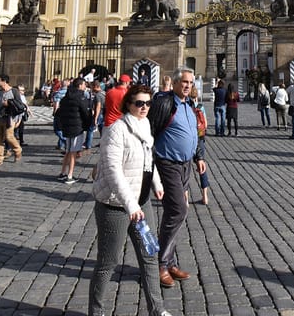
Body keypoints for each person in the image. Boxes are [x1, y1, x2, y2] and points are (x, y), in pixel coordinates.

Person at [88, 84, 172, 316]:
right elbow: (113, 171)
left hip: (141, 203)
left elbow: (147, 158)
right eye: (139, 103)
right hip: (115, 206)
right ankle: (96, 311)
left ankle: (158, 309)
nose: (144, 107)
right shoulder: (116, 130)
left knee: (150, 255)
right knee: (108, 263)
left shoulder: (145, 125)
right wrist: (131, 205)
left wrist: (156, 183)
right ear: (128, 104)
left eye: (148, 103)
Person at [149, 67, 205, 288]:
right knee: (178, 210)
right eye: (184, 82)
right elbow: (150, 131)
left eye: (190, 82)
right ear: (174, 83)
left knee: (176, 212)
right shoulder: (165, 103)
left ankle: (168, 261)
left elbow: (196, 132)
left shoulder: (188, 105)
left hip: (185, 166)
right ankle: (160, 264)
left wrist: (199, 156)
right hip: (168, 164)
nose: (188, 85)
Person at [57, 77, 91, 184]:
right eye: (84, 84)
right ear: (80, 85)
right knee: (73, 152)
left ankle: (63, 173)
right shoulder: (81, 97)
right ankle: (70, 175)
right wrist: (88, 125)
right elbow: (85, 113)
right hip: (77, 127)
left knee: (68, 151)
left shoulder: (66, 97)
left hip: (67, 126)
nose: (85, 86)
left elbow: (60, 111)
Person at [0, 74, 23, 167]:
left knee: (9, 137)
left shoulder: (14, 91)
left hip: (10, 118)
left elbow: (20, 106)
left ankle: (18, 150)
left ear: (4, 81)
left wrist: (18, 120)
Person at [191, 87, 210, 205]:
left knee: (185, 168)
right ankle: (205, 196)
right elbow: (206, 125)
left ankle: (185, 198)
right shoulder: (201, 107)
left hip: (189, 140)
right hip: (200, 139)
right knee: (202, 167)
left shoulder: (187, 107)